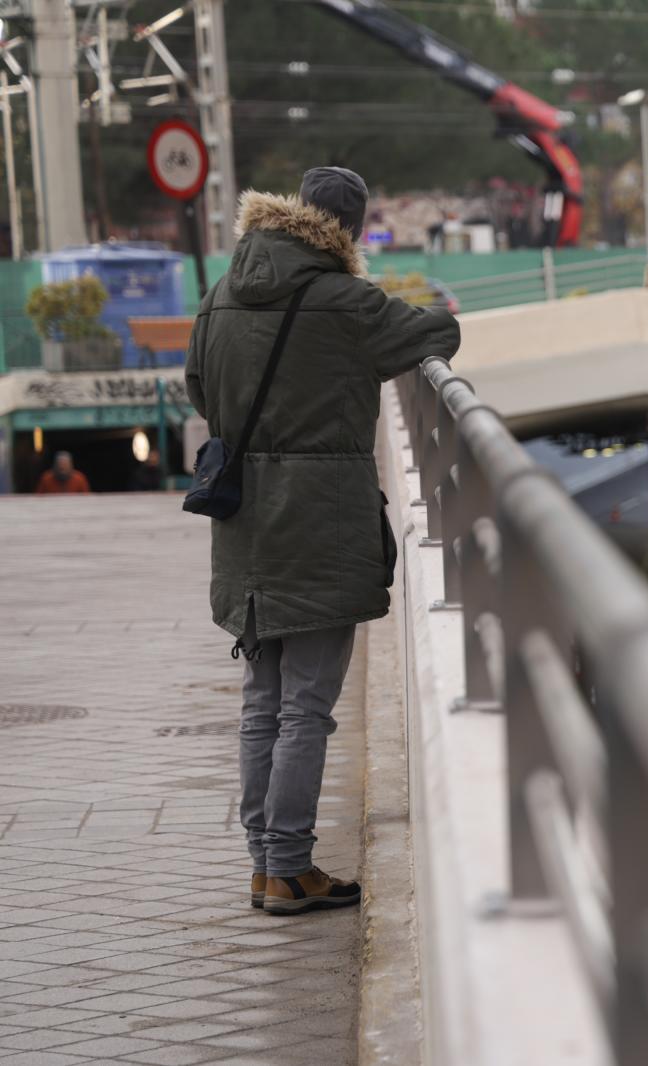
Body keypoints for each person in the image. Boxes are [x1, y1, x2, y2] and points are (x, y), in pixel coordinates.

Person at [185, 167, 460, 916]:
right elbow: (437, 335)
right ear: (350, 232)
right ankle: (291, 866)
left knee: (262, 700)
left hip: (244, 524)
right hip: (319, 519)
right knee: (306, 705)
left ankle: (264, 864)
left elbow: (198, 390)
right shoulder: (346, 302)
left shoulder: (218, 297)